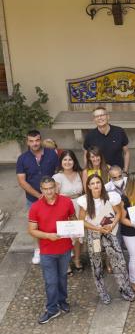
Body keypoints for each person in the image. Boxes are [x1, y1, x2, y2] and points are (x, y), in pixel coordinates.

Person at [78, 174, 135, 304]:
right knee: (96, 263)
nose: (96, 185)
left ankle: (125, 289)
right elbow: (81, 221)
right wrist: (97, 229)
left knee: (118, 260)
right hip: (94, 235)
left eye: (98, 182)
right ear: (88, 186)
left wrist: (112, 224)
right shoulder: (85, 201)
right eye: (92, 183)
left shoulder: (110, 197)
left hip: (109, 232)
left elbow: (118, 212)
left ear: (101, 184)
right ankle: (102, 292)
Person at [27, 176, 76, 324]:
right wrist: (48, 235)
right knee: (50, 281)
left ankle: (62, 301)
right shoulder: (35, 207)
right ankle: (52, 309)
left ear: (56, 188)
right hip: (47, 251)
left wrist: (74, 228)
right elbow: (31, 230)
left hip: (65, 248)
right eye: (45, 189)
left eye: (51, 188)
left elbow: (72, 218)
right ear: (41, 190)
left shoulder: (67, 201)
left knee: (62, 278)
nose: (49, 191)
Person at [16, 130, 58, 264]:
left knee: (56, 221)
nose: (34, 143)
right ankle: (38, 249)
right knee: (36, 225)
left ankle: (58, 246)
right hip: (33, 199)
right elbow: (22, 181)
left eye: (37, 140)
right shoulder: (22, 158)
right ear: (27, 142)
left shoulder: (52, 154)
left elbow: (58, 173)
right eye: (31, 141)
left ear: (41, 140)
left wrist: (53, 192)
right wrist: (39, 195)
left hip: (53, 196)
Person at [52, 150, 85, 273]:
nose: (67, 162)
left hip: (79, 206)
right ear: (61, 162)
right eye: (65, 160)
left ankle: (77, 260)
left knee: (78, 236)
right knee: (65, 237)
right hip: (64, 208)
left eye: (70, 159)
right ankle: (66, 264)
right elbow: (54, 196)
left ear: (74, 161)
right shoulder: (57, 177)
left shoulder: (79, 174)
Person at [83, 106, 130, 171]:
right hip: (98, 174)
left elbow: (126, 152)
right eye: (96, 116)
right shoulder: (90, 135)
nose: (99, 118)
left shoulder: (119, 131)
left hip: (118, 173)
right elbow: (86, 155)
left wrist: (125, 170)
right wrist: (88, 171)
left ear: (108, 117)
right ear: (94, 120)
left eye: (102, 115)